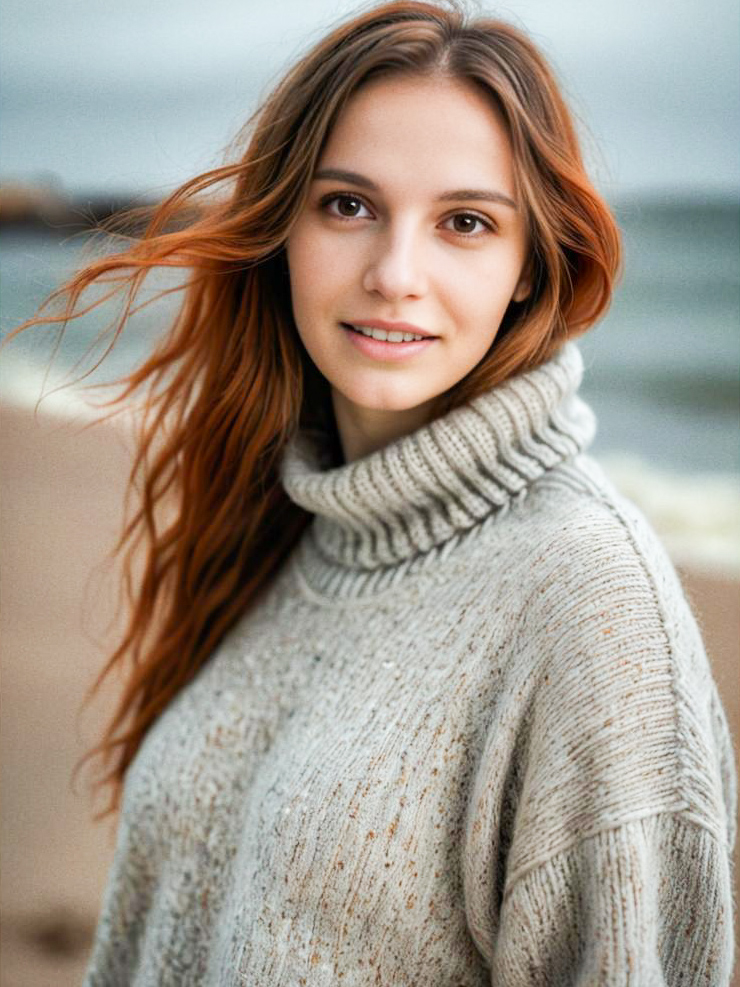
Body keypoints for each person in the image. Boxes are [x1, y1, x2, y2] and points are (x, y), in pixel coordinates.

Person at [17, 1, 735, 983]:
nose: (395, 273)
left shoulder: (590, 606)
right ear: (284, 229)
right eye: (347, 205)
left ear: (529, 268)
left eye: (465, 223)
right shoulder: (285, 519)